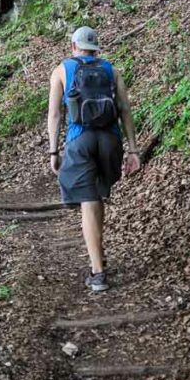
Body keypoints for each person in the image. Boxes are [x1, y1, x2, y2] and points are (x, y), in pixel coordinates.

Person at [47, 26, 141, 292]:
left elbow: (55, 116)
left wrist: (53, 151)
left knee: (88, 202)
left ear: (74, 47)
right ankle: (99, 255)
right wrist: (133, 150)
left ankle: (98, 273)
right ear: (96, 47)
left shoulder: (62, 70)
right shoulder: (112, 70)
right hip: (110, 142)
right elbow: (125, 111)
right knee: (97, 198)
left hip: (81, 142)